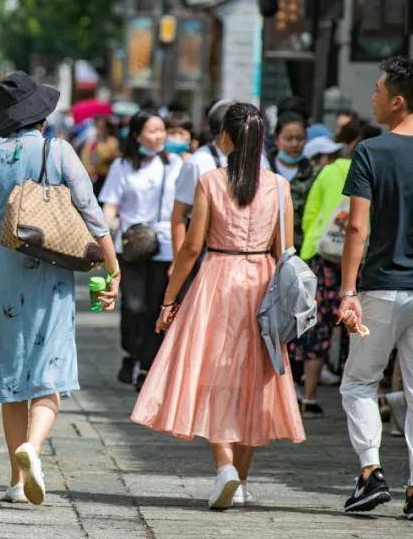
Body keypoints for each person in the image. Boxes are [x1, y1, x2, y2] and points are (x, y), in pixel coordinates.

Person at [132, 103, 305, 510]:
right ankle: (240, 480)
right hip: (263, 280)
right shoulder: (279, 187)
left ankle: (224, 466)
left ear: (225, 138)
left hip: (217, 279)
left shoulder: (210, 181)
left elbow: (192, 247)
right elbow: (287, 251)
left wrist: (170, 299)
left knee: (212, 374)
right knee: (255, 379)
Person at [0, 71, 120, 505]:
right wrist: (112, 267)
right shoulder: (60, 151)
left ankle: (17, 480)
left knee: (11, 381)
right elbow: (90, 211)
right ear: (41, 118)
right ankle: (33, 447)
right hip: (52, 272)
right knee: (49, 374)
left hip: (5, 274)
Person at [337, 57, 413, 520]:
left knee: (358, 383)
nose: (371, 97)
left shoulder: (371, 152)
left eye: (378, 90)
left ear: (398, 101)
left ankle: (371, 472)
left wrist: (347, 290)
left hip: (381, 287)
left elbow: (357, 228)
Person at [99, 110, 181, 389]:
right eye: (152, 130)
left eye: (162, 130)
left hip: (166, 247)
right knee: (133, 307)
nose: (159, 136)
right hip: (132, 246)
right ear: (137, 135)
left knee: (155, 308)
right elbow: (110, 203)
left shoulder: (176, 163)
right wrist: (103, 234)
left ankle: (147, 367)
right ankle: (131, 352)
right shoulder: (123, 166)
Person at [288, 123, 360, 416]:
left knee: (316, 329)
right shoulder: (373, 173)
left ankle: (309, 395)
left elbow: (309, 213)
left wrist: (306, 250)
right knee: (354, 329)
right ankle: (359, 398)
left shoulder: (328, 172)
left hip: (322, 260)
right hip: (358, 262)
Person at [171, 100, 232, 259]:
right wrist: (178, 260)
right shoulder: (198, 163)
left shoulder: (258, 160)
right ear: (225, 134)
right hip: (206, 251)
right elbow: (179, 215)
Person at [267, 112, 314, 251]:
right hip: (267, 249)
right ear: (277, 139)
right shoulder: (264, 169)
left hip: (300, 250)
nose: (295, 144)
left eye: (300, 138)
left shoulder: (313, 172)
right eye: (289, 138)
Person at [79, 115, 120, 194]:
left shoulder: (112, 142)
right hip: (92, 179)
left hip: (107, 179)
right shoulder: (90, 143)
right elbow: (85, 160)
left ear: (107, 129)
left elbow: (112, 157)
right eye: (98, 127)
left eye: (103, 127)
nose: (100, 130)